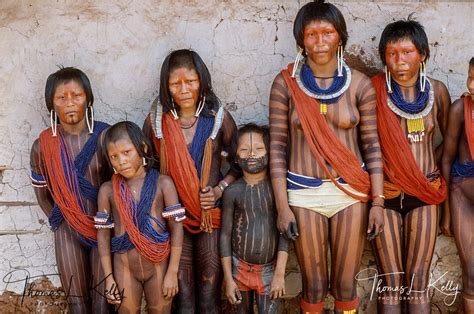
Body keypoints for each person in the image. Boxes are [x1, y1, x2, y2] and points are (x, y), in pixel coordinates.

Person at [269, 1, 384, 312]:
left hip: (352, 192)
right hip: (303, 193)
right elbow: (277, 149)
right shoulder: (286, 84)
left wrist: (377, 202)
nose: (319, 42)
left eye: (327, 33)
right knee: (315, 284)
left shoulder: (360, 84)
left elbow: (372, 146)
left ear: (340, 37)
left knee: (346, 284)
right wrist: (283, 207)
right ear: (301, 40)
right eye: (311, 34)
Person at [143, 49, 240, 313]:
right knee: (183, 298)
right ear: (167, 87)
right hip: (174, 221)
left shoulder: (218, 120)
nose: (184, 89)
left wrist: (219, 189)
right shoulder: (157, 124)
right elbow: (146, 170)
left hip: (210, 218)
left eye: (191, 82)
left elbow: (240, 162)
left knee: (209, 294)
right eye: (176, 83)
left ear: (202, 82)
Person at [371, 19, 450, 313]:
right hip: (386, 194)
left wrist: (422, 171)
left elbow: (450, 146)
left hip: (426, 193)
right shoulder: (373, 91)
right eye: (392, 53)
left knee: (418, 283)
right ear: (383, 57)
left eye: (407, 52)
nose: (399, 61)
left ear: (423, 54)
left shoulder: (437, 92)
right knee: (390, 284)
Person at [29, 67, 111, 313]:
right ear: (51, 104)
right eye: (61, 98)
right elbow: (42, 193)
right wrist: (60, 221)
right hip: (67, 231)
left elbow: (121, 185)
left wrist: (114, 220)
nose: (70, 103)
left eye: (77, 95)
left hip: (104, 228)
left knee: (103, 302)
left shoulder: (106, 135)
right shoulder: (42, 146)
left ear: (88, 97)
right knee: (76, 303)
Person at [96, 121, 183, 313]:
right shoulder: (108, 191)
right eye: (114, 157)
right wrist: (109, 278)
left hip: (159, 266)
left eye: (127, 152)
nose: (121, 161)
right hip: (124, 267)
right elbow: (103, 236)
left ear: (143, 148)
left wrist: (172, 272)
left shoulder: (163, 184)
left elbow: (177, 228)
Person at [220, 124, 289, 313]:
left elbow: (285, 233)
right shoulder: (232, 192)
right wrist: (228, 278)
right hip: (238, 270)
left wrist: (280, 273)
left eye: (258, 149)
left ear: (270, 153)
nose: (251, 154)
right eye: (244, 149)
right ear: (235, 156)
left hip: (270, 271)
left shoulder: (278, 192)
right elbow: (225, 236)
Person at [441, 57, 474, 313]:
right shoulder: (460, 110)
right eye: (471, 77)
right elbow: (446, 160)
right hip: (462, 192)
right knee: (471, 272)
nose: (472, 85)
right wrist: (447, 212)